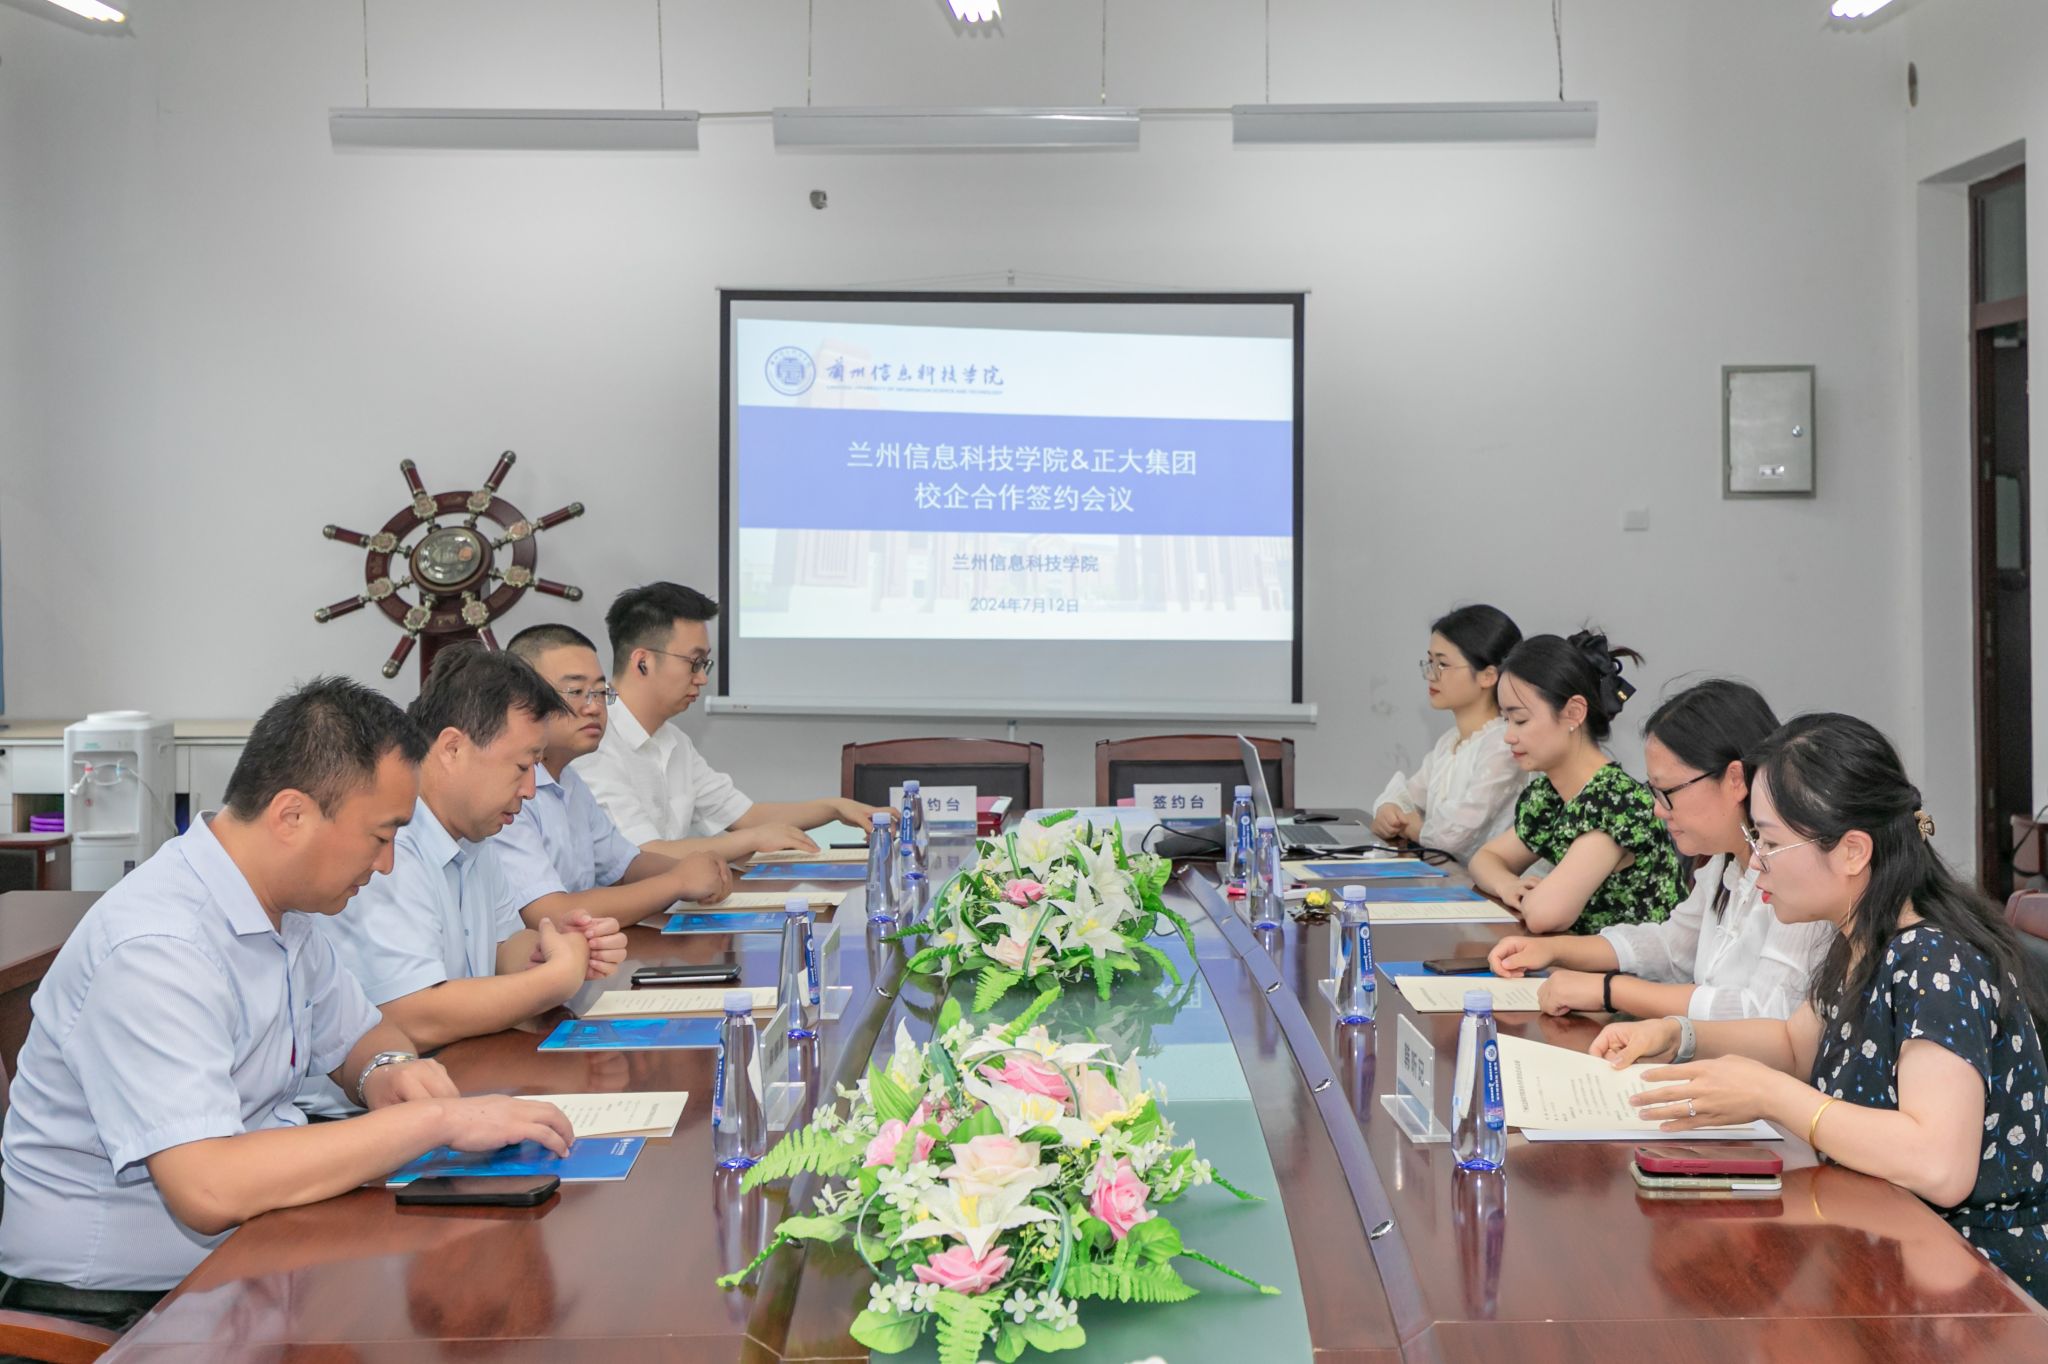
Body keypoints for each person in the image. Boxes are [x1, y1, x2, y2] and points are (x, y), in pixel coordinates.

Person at [0, 678, 573, 1323]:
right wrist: (433, 1122)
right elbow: (209, 1187)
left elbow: (365, 1035)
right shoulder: (159, 946)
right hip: (121, 1311)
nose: (387, 865)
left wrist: (387, 1072)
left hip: (255, 1255)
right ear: (291, 816)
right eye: (380, 836)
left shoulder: (284, 908)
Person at [1594, 713, 2048, 1304]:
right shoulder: (1861, 936)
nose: (1755, 862)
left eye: (1770, 842)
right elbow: (1794, 1045)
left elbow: (1939, 1163)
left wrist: (1771, 1095)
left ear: (1853, 850)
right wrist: (1677, 1035)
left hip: (1974, 1287)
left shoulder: (1934, 960)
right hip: (1888, 1242)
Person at [309, 646, 628, 1091]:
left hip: (459, 1078)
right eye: (522, 766)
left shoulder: (476, 837)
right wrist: (554, 980)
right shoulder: (387, 845)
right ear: (453, 748)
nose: (530, 790)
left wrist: (554, 947)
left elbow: (503, 946)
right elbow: (413, 1015)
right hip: (365, 1104)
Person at [1489, 679, 1834, 1018]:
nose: (1657, 809)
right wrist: (1552, 949)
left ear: (1734, 780)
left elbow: (1761, 1012)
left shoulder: (1799, 877)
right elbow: (1672, 946)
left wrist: (1609, 991)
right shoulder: (1724, 862)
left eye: (1666, 792)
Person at [573, 582, 884, 861]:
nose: (702, 678)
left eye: (704, 664)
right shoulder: (593, 742)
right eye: (694, 663)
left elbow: (746, 816)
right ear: (643, 662)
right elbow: (643, 854)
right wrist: (753, 839)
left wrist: (833, 808)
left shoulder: (674, 741)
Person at [496, 623, 733, 927]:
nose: (594, 707)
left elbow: (624, 866)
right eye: (576, 692)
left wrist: (693, 868)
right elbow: (551, 912)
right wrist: (678, 882)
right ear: (522, 699)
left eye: (600, 692)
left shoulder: (570, 780)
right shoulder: (507, 791)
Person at [1467, 629, 1685, 933]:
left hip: (1635, 963)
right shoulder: (1550, 795)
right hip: (1577, 957)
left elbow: (1545, 914)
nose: (1509, 736)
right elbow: (1484, 859)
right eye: (1506, 720)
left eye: (1520, 720)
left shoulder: (1616, 802)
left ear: (1573, 713)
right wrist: (1508, 885)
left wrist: (1528, 894)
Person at [1369, 604, 1527, 862]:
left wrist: (1411, 826)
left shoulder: (1503, 744)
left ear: (1488, 676)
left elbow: (1451, 838)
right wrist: (1389, 809)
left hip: (1482, 883)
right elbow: (1406, 796)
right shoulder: (1450, 742)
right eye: (1429, 662)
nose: (1430, 675)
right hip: (1445, 875)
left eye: (1442, 664)